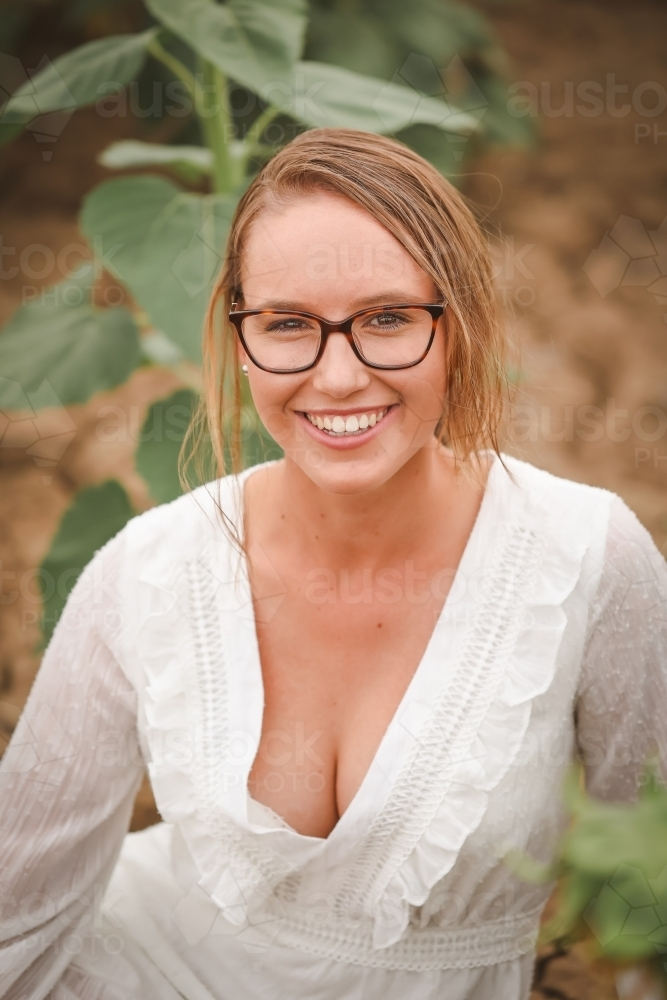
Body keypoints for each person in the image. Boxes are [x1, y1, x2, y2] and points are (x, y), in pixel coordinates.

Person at [2, 129, 666, 1000]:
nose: (339, 375)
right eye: (287, 325)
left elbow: (648, 886)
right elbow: (21, 915)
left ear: (456, 324)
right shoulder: (147, 571)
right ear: (241, 341)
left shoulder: (586, 555)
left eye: (387, 317)